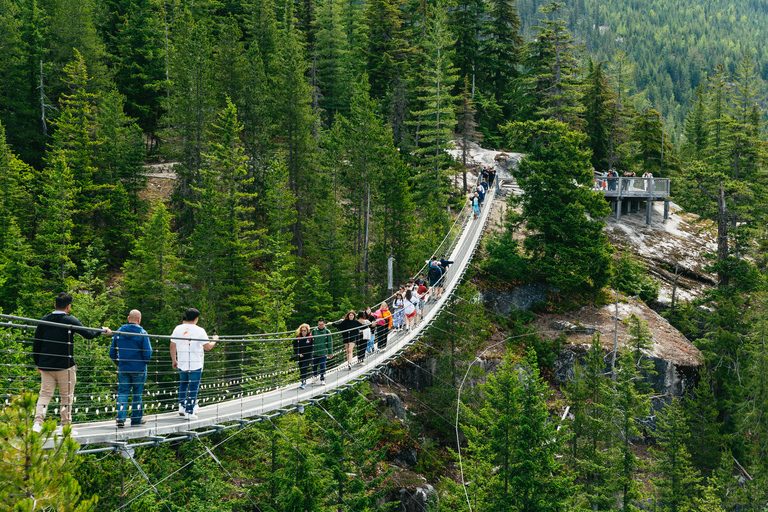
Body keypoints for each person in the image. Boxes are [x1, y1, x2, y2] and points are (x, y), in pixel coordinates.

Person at [32, 292, 112, 434]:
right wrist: (102, 330)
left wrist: (38, 363)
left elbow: (36, 344)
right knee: (66, 396)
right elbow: (89, 334)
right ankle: (65, 426)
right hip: (65, 366)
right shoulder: (70, 320)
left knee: (44, 394)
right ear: (68, 307)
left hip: (46, 366)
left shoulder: (44, 320)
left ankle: (37, 423)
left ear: (55, 305)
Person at [170, 308, 218, 420]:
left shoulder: (178, 329)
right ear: (196, 318)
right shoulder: (200, 330)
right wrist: (215, 340)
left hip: (182, 362)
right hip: (195, 363)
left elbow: (172, 345)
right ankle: (189, 411)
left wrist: (174, 360)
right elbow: (208, 347)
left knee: (183, 384)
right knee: (193, 387)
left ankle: (182, 406)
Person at [110, 309, 152, 427]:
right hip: (138, 368)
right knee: (137, 394)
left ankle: (121, 418)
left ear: (128, 318)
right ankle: (136, 419)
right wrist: (145, 362)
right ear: (139, 319)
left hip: (123, 368)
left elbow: (112, 352)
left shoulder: (119, 333)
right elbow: (147, 352)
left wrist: (119, 363)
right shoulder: (143, 333)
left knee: (123, 393)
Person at [311, 318, 333, 385]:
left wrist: (330, 353)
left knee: (322, 366)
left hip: (323, 352)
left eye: (322, 324)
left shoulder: (327, 331)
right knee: (314, 365)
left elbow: (330, 342)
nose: (320, 326)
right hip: (315, 351)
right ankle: (315, 376)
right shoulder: (314, 331)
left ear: (324, 323)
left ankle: (322, 379)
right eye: (319, 324)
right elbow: (311, 340)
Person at [293, 324, 313, 388]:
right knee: (301, 369)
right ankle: (302, 381)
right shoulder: (298, 337)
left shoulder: (310, 337)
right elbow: (295, 347)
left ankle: (304, 382)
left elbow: (312, 347)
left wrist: (305, 354)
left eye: (305, 330)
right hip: (300, 356)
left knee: (305, 367)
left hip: (308, 356)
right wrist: (298, 354)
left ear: (307, 330)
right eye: (302, 330)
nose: (303, 332)